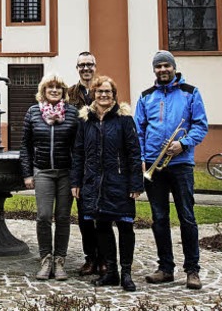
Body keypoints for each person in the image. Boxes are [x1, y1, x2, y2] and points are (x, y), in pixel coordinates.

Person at [134, 50, 209, 291]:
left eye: (167, 66)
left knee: (187, 217)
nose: (163, 70)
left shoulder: (190, 93)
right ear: (154, 70)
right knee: (159, 219)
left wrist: (183, 144)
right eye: (158, 67)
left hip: (181, 165)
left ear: (174, 68)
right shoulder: (146, 96)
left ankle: (192, 270)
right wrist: (143, 159)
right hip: (154, 169)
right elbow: (139, 131)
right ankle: (165, 268)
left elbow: (200, 125)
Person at [71, 74, 143, 292]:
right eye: (100, 91)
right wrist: (76, 181)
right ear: (94, 93)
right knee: (101, 226)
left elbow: (134, 152)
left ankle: (127, 273)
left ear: (114, 95)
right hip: (93, 182)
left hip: (118, 182)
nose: (103, 95)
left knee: (125, 226)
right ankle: (111, 272)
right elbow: (78, 152)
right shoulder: (85, 120)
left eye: (108, 92)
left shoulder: (124, 120)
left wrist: (136, 184)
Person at [20, 73, 79, 281]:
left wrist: (76, 178)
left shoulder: (72, 113)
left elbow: (78, 148)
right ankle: (45, 259)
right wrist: (27, 173)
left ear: (63, 92)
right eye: (50, 87)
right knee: (44, 216)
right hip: (43, 171)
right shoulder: (33, 112)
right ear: (43, 91)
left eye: (58, 88)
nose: (54, 90)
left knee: (63, 217)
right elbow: (25, 146)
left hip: (66, 172)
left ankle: (60, 260)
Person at [67, 51, 99, 276]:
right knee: (84, 214)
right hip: (76, 160)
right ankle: (90, 258)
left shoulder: (104, 90)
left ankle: (104, 258)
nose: (86, 69)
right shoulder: (69, 94)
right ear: (77, 68)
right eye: (82, 65)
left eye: (89, 64)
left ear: (95, 67)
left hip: (100, 162)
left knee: (103, 214)